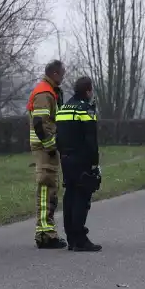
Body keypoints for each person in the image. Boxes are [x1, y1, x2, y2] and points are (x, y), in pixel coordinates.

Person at [55, 76, 102, 252]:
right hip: (81, 159)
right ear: (88, 91)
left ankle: (71, 239)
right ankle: (81, 239)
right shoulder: (85, 109)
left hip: (66, 159)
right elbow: (91, 139)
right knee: (82, 197)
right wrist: (94, 163)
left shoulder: (63, 108)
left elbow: (58, 137)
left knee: (70, 196)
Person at [27, 60, 68, 249]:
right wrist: (51, 146)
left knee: (50, 188)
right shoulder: (45, 93)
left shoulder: (49, 91)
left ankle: (46, 231)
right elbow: (39, 123)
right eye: (62, 73)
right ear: (54, 74)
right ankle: (45, 234)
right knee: (46, 188)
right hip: (45, 148)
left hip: (46, 147)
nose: (64, 76)